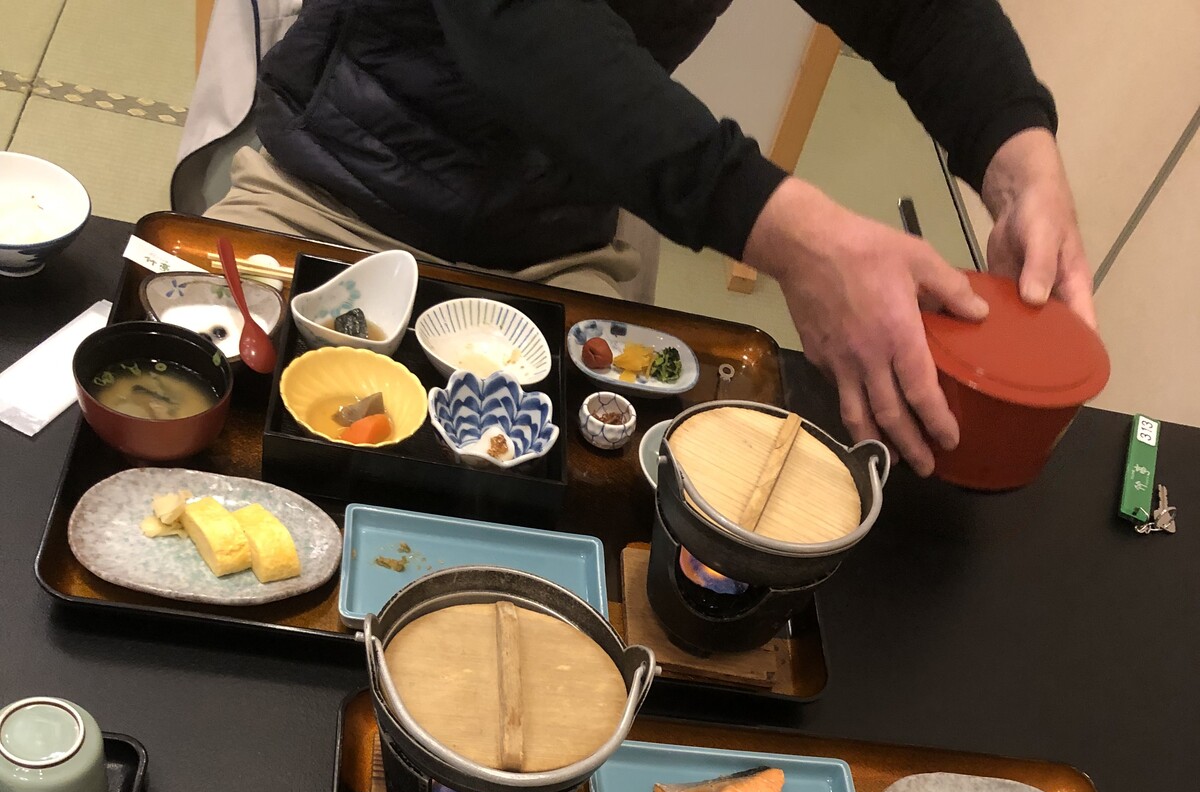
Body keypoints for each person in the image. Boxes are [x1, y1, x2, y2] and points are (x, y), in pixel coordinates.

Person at [208, 0, 1094, 476]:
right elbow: (517, 26)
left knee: (587, 550)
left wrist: (1016, 146)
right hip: (334, 188)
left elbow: (915, 14)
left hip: (571, 227)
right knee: (220, 456)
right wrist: (791, 234)